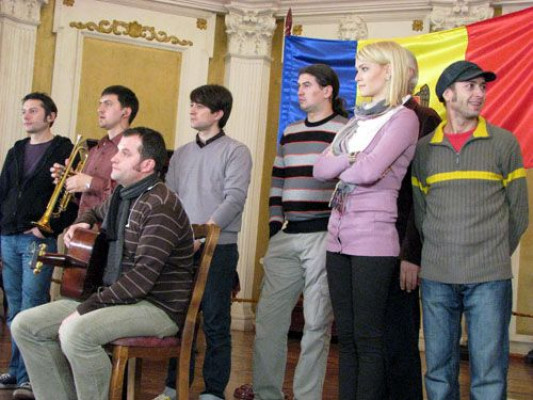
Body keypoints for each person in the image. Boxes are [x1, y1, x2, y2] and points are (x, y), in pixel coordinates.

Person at [10, 127, 195, 400]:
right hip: (117, 298)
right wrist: (82, 221)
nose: (114, 158)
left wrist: (87, 307)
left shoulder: (161, 205)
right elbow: (95, 211)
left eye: (125, 153)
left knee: (76, 332)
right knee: (25, 325)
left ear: (147, 165)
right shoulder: (123, 195)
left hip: (156, 307)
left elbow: (141, 279)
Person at [412, 60, 528, 399]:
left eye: (482, 87)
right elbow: (422, 214)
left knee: (489, 374)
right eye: (470, 86)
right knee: (437, 372)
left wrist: (492, 254)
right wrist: (440, 250)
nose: (479, 93)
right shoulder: (423, 150)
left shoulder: (504, 143)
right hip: (436, 277)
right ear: (448, 94)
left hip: (489, 278)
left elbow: (519, 213)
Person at [313, 41, 419, 400]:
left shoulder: (403, 118)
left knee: (369, 338)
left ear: (388, 71)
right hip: (338, 236)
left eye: (364, 69)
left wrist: (347, 161)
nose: (356, 76)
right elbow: (320, 169)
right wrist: (352, 158)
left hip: (374, 239)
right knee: (346, 337)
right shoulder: (358, 120)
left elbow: (369, 171)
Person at [241, 64, 348, 400]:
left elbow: (350, 182)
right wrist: (275, 226)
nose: (300, 91)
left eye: (307, 85)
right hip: (286, 235)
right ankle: (266, 394)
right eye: (298, 85)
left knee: (316, 324)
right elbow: (277, 181)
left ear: (327, 90)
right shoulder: (290, 131)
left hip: (323, 235)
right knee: (268, 321)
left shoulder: (345, 130)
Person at [159, 84, 252, 400]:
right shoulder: (182, 153)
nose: (192, 110)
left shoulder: (236, 151)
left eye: (199, 106)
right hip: (182, 247)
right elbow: (170, 198)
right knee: (178, 319)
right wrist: (181, 237)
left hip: (218, 247)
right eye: (191, 104)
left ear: (218, 113)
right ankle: (174, 386)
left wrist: (203, 234)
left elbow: (234, 198)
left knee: (214, 319)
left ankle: (213, 390)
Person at [0, 92, 78, 400]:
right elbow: (3, 191)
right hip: (8, 236)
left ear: (51, 116)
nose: (26, 116)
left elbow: (69, 200)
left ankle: (31, 376)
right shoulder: (16, 150)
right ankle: (16, 370)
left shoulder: (64, 149)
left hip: (37, 239)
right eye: (24, 111)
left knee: (32, 307)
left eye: (33, 111)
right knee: (14, 308)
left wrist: (46, 228)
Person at [384, 48, 441, 400]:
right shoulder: (371, 118)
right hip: (368, 242)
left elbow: (421, 195)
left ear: (409, 77)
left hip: (402, 243)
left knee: (400, 336)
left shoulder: (424, 118)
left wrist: (412, 253)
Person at [51, 85, 139, 215]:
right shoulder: (94, 150)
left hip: (109, 225)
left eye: (108, 104)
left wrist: (90, 183)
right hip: (83, 222)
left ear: (125, 112)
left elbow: (131, 192)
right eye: (100, 104)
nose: (99, 109)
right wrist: (70, 181)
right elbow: (85, 199)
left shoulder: (134, 148)